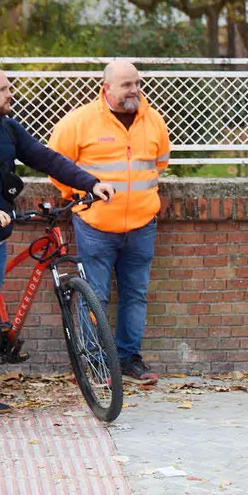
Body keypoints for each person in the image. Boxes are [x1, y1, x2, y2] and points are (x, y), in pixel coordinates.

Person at [0, 64, 114, 422]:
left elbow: (47, 159)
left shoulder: (9, 130)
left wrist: (90, 183)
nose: (10, 94)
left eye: (9, 87)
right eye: (2, 90)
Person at [48, 61, 168, 385]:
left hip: (142, 224)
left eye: (137, 83)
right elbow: (54, 161)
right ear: (107, 87)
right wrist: (73, 193)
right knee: (94, 296)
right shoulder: (80, 121)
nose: (134, 90)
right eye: (127, 84)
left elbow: (160, 162)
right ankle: (96, 363)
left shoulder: (153, 120)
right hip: (95, 226)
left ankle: (129, 360)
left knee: (135, 295)